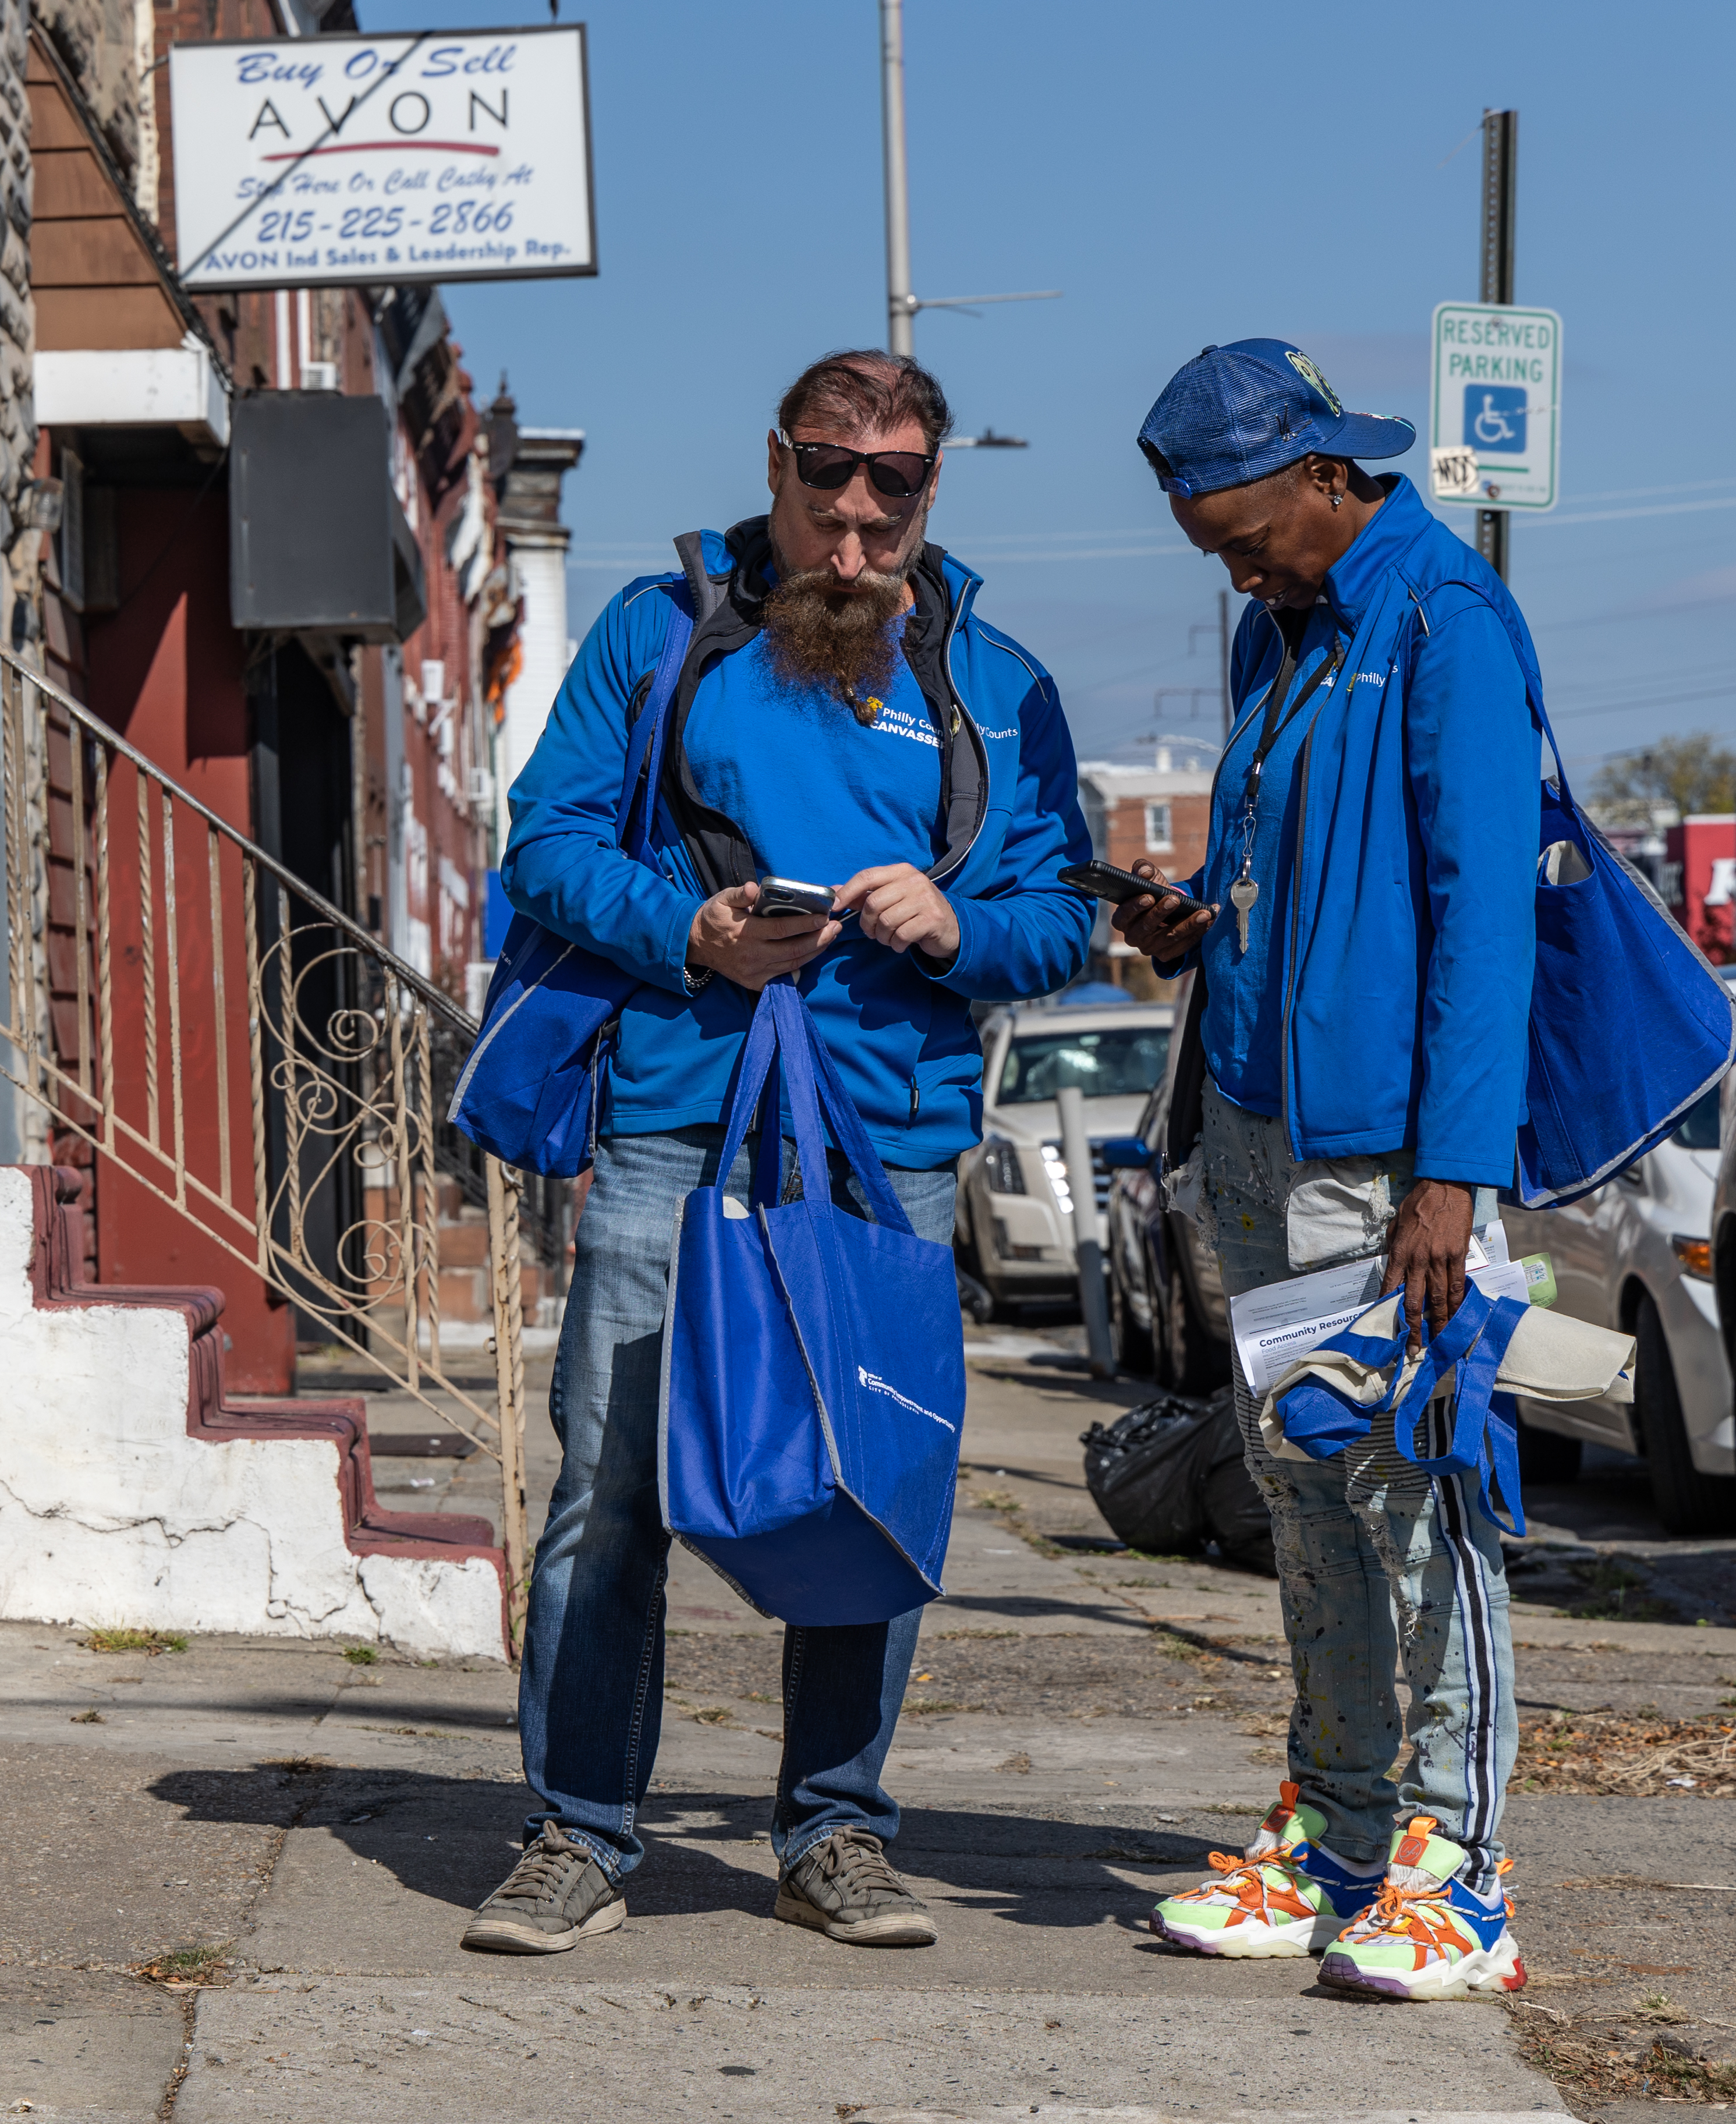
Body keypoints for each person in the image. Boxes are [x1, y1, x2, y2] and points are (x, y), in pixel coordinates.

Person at [460, 350, 1092, 1955]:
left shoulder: (997, 683)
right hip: (678, 1128)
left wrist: (959, 927)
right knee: (614, 1495)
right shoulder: (658, 638)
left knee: (867, 1496)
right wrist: (686, 926)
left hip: (891, 1154)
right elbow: (543, 847)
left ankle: (835, 1834)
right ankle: (583, 1834)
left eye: (895, 483)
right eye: (830, 471)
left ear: (931, 489)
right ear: (777, 464)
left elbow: (1065, 912)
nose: (858, 515)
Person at [1111, 339, 1542, 2001]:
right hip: (1261, 1124)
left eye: (1240, 533)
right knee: (1304, 1489)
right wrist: (1195, 932)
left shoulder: (1444, 623)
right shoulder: (1278, 635)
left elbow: (1480, 918)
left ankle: (1463, 1873)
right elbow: (1302, 892)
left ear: (1324, 476)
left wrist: (1453, 1171)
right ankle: (1342, 1834)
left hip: (1389, 1160)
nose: (1230, 565)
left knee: (1420, 1491)